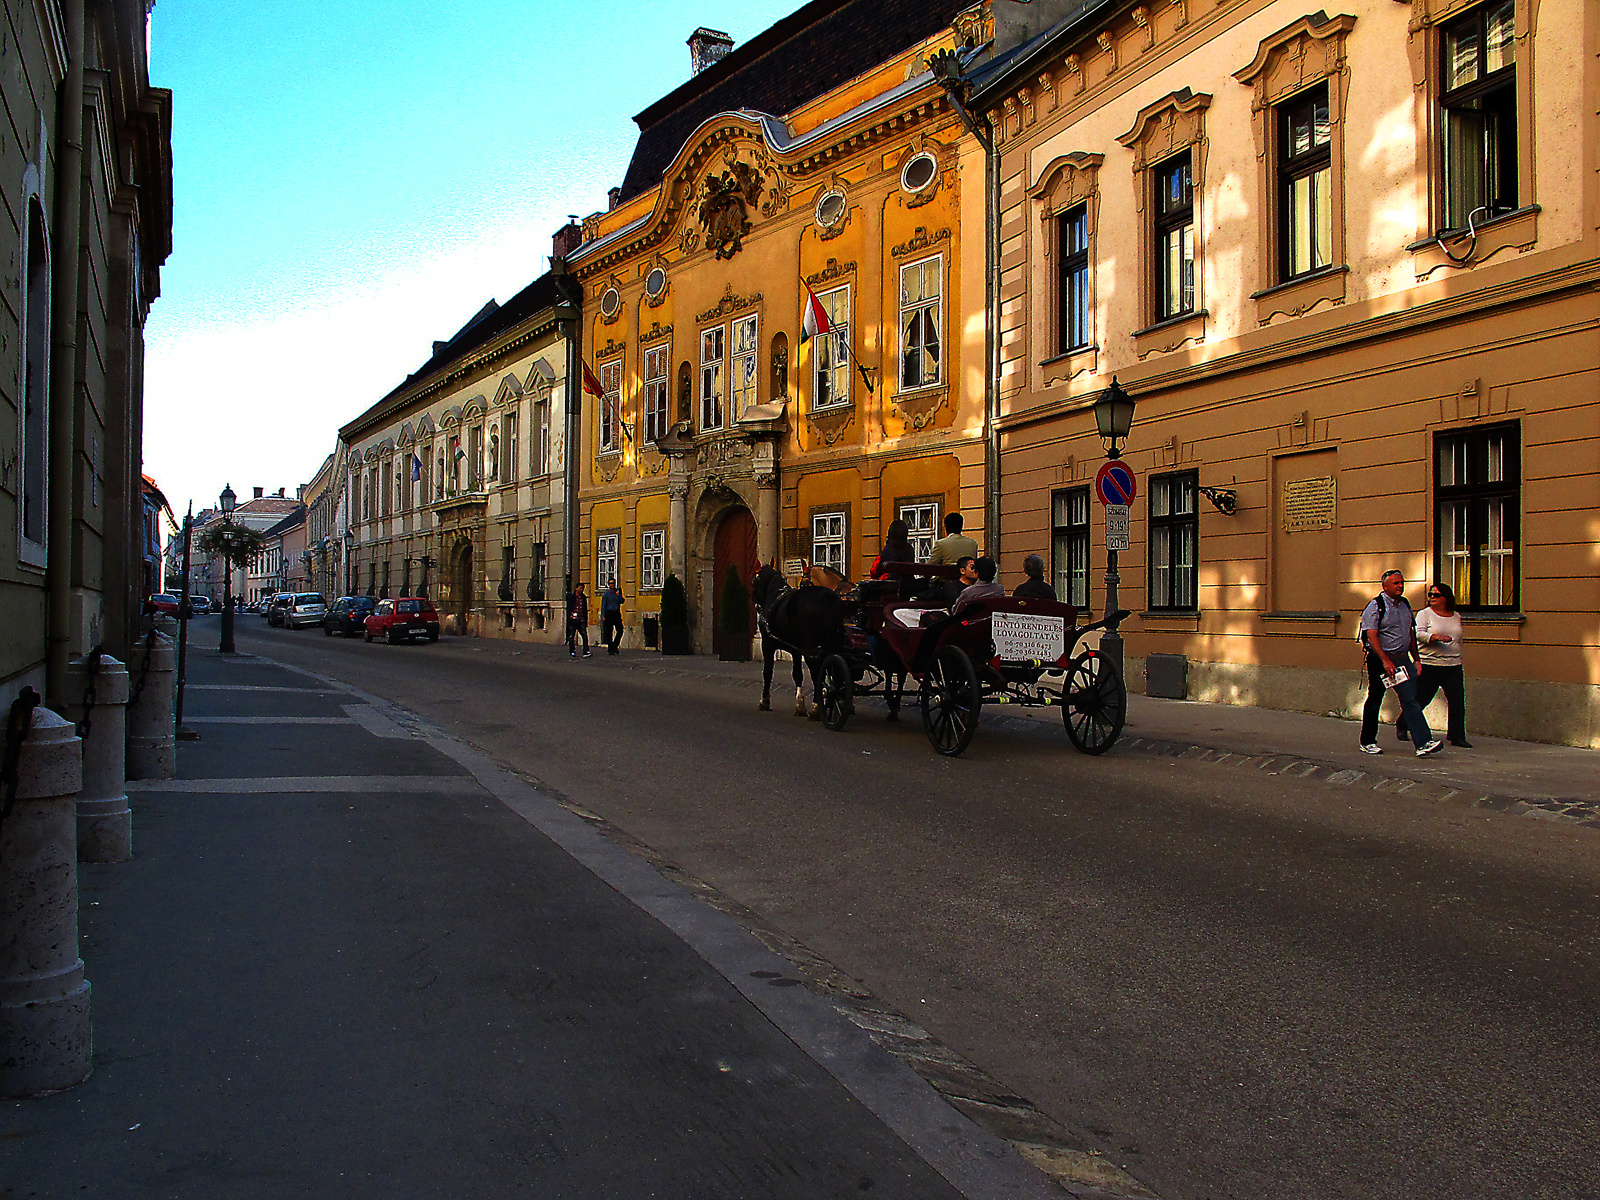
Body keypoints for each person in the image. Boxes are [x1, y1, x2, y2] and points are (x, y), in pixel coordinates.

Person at [1358, 570, 1439, 757]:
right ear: (1385, 586)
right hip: (1381, 659)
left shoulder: (1405, 605)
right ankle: (1368, 741)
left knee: (1410, 699)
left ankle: (1423, 743)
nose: (1400, 586)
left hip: (1402, 658)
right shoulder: (1375, 606)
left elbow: (1410, 634)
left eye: (1401, 582)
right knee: (1375, 698)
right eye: (1395, 583)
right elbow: (1371, 635)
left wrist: (1416, 659)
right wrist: (1385, 660)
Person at [1399, 580, 1471, 747]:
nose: (1432, 597)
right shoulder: (1425, 614)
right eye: (1430, 594)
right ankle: (1403, 724)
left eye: (1436, 595)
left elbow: (1458, 636)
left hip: (1452, 664)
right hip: (1430, 663)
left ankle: (1457, 735)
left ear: (1446, 598)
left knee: (1457, 700)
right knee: (1421, 698)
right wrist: (1434, 637)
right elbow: (1417, 633)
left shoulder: (1455, 616)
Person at [600, 577, 624, 655]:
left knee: (620, 630)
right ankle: (611, 649)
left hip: (616, 612)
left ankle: (614, 645)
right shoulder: (606, 594)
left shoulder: (617, 592)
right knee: (609, 632)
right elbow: (603, 605)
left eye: (613, 583)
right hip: (609, 613)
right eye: (610, 583)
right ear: (608, 585)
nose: (612, 585)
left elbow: (622, 601)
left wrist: (618, 595)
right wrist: (603, 615)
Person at [566, 582, 591, 658]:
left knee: (584, 636)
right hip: (573, 620)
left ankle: (586, 651)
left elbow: (585, 609)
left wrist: (586, 619)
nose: (581, 590)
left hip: (581, 619)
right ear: (576, 588)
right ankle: (572, 651)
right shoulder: (572, 597)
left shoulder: (583, 597)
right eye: (580, 588)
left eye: (582, 588)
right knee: (572, 636)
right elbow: (569, 607)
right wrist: (570, 614)